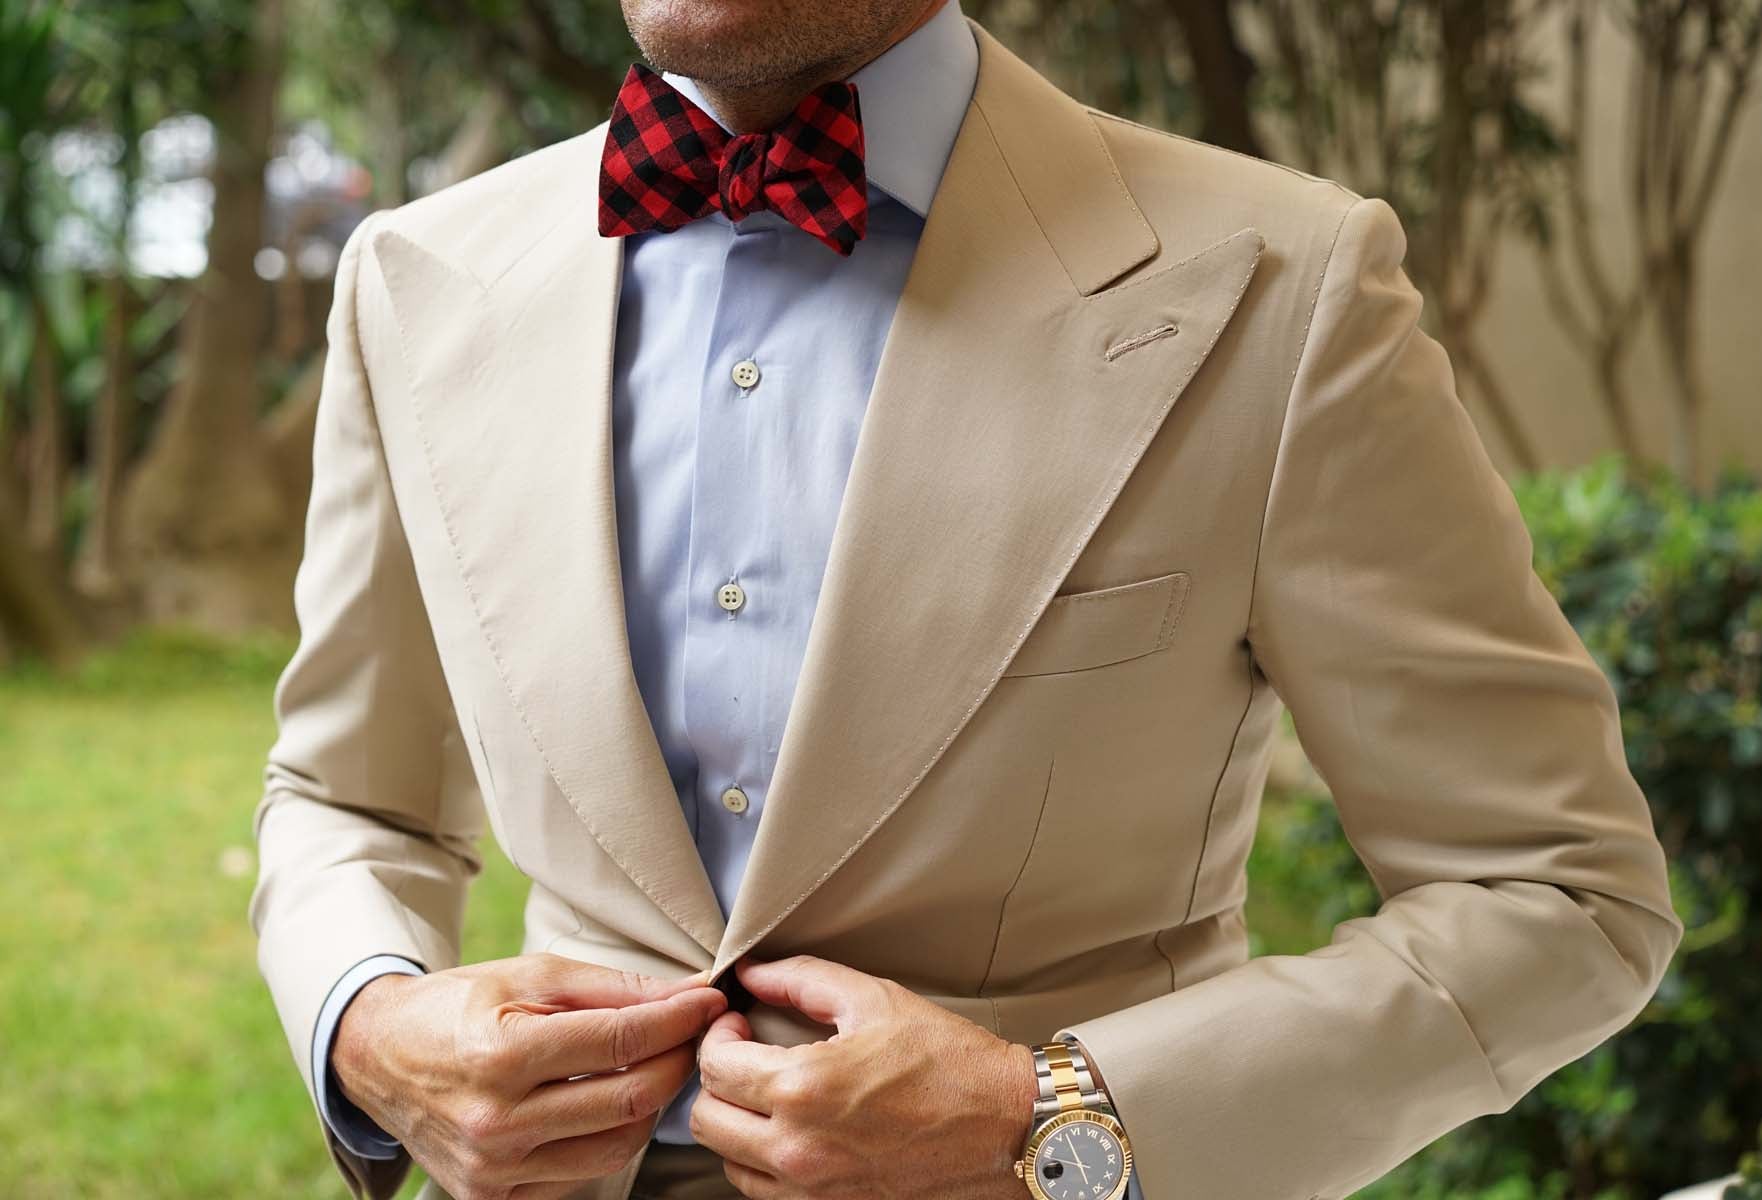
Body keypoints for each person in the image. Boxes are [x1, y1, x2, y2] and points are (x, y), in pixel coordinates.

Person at [248, 0, 1683, 1197]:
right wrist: (367, 1022)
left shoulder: (1284, 287)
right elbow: (345, 798)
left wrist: (1045, 1111)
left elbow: (1559, 895)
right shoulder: (417, 278)